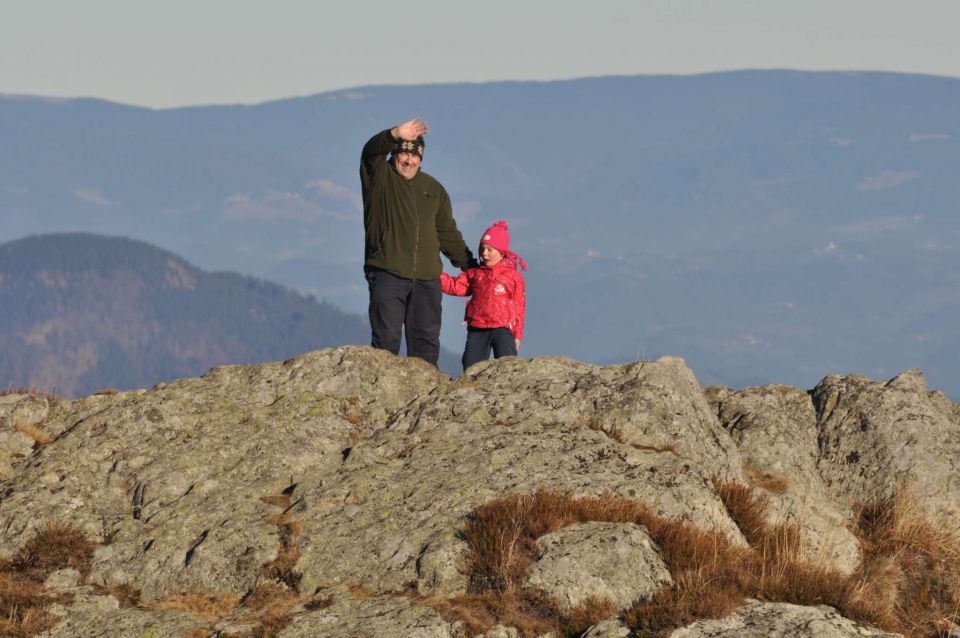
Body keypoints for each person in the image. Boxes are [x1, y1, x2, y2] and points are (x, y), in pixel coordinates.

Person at [359, 118, 476, 366]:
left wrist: (471, 267)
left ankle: (425, 400)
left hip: (427, 280)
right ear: (395, 154)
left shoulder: (434, 190)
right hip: (387, 273)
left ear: (421, 159)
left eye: (415, 156)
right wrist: (394, 133)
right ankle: (381, 397)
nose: (409, 161)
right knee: (386, 343)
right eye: (404, 154)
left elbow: (447, 233)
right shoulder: (380, 178)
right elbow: (369, 152)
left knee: (426, 343)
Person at [441, 220, 527, 371]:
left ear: (502, 252)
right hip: (478, 327)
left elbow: (519, 305)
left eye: (489, 249)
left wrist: (517, 335)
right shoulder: (476, 273)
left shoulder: (513, 276)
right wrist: (435, 276)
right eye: (482, 249)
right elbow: (455, 286)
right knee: (471, 367)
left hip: (503, 329)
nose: (484, 254)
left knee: (509, 368)